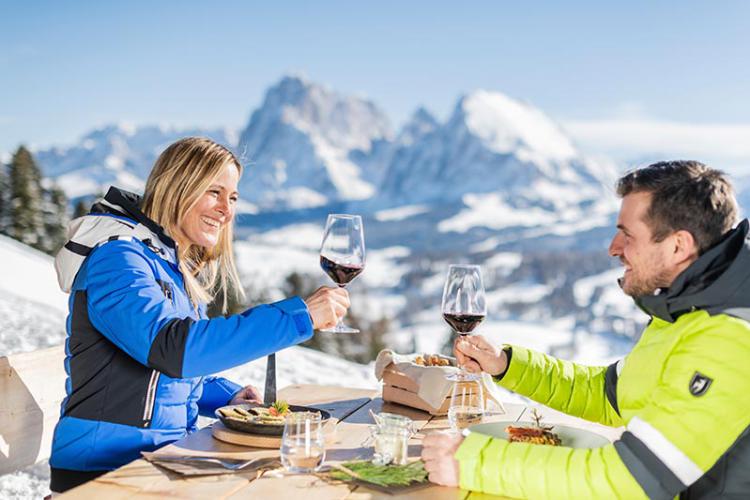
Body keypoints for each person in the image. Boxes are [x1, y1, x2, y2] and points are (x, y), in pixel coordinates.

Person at [422, 161, 750, 499]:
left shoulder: (732, 337)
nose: (613, 247)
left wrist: (471, 463)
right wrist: (505, 364)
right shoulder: (686, 311)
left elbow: (630, 479)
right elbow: (607, 396)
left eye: (627, 234)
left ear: (678, 246)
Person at [49, 137, 349, 493]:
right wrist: (299, 316)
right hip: (102, 473)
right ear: (177, 187)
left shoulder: (169, 266)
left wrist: (228, 397)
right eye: (214, 192)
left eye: (233, 197)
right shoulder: (118, 261)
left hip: (159, 461)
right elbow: (174, 350)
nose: (226, 210)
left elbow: (166, 373)